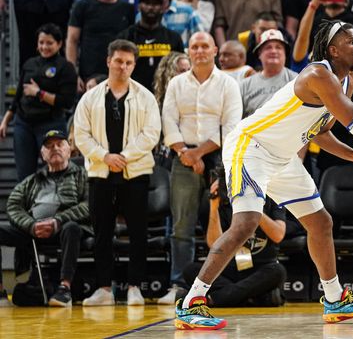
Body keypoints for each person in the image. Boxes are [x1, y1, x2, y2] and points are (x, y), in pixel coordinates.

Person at [175, 20, 353, 329]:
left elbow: (319, 132)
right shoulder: (317, 74)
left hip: (282, 157)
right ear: (333, 49)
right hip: (251, 146)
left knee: (320, 222)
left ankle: (334, 299)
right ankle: (192, 301)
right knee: (246, 222)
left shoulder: (346, 84)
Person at [73, 39, 161, 306]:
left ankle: (135, 287)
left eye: (128, 62)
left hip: (134, 172)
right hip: (100, 172)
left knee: (137, 231)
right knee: (102, 231)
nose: (123, 66)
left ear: (134, 65)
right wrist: (105, 156)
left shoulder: (145, 96)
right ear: (108, 61)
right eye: (118, 61)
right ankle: (103, 289)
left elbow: (152, 133)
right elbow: (81, 135)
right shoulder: (90, 98)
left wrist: (124, 156)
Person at [159, 32, 243, 305]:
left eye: (204, 45)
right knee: (181, 223)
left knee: (228, 220)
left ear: (215, 49)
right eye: (194, 46)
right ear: (188, 51)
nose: (199, 50)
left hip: (220, 157)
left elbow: (232, 125)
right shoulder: (176, 83)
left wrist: (198, 154)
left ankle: (223, 280)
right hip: (182, 155)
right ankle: (178, 283)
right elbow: (168, 121)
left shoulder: (228, 84)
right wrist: (186, 153)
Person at [0, 129, 90, 307]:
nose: (54, 148)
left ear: (69, 149)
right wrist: (31, 225)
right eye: (49, 146)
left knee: (71, 227)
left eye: (59, 144)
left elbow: (89, 205)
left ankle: (64, 289)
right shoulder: (32, 180)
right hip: (33, 231)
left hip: (65, 229)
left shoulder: (83, 175)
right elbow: (13, 206)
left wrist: (58, 220)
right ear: (42, 154)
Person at [182, 176, 287, 307]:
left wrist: (254, 209)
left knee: (278, 271)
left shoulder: (272, 195)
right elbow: (214, 244)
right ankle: (252, 298)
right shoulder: (221, 200)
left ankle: (214, 299)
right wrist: (214, 206)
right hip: (226, 269)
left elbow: (278, 235)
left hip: (260, 268)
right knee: (190, 270)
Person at [0, 24, 77, 181]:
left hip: (50, 124)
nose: (44, 47)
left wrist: (39, 93)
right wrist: (6, 120)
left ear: (60, 44)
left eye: (49, 43)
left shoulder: (66, 67)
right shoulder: (29, 63)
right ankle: (28, 205)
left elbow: (67, 101)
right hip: (24, 124)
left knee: (56, 171)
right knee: (24, 174)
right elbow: (19, 95)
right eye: (41, 42)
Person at [66, 0, 136, 91]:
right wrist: (72, 73)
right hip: (88, 74)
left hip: (119, 72)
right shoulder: (83, 6)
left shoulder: (128, 9)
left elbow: (131, 43)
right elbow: (72, 40)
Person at [116, 0, 185, 91]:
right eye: (147, 3)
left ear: (163, 7)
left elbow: (182, 72)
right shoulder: (125, 37)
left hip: (166, 97)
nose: (151, 7)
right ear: (139, 6)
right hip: (134, 96)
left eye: (155, 4)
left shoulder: (174, 39)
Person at [240, 29, 298, 117]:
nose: (274, 51)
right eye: (268, 47)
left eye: (278, 47)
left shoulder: (296, 80)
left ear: (285, 53)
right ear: (259, 54)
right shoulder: (244, 85)